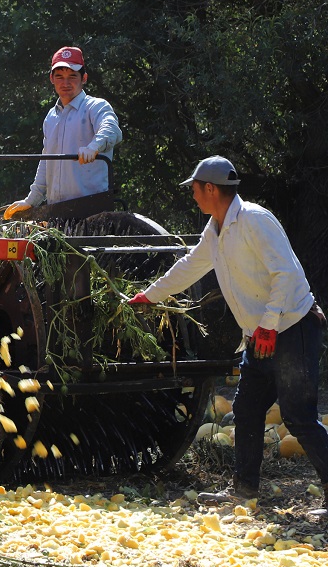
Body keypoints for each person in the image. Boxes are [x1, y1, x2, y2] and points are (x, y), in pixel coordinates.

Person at [128, 156, 328, 519]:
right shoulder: (215, 228)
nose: (192, 195)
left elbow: (286, 273)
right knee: (247, 410)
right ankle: (244, 491)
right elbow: (190, 265)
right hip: (260, 335)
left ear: (211, 188)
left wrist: (269, 324)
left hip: (292, 327)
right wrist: (150, 295)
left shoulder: (254, 219)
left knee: (298, 416)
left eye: (194, 188)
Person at [4, 46, 122, 219]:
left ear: (84, 78)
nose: (65, 83)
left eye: (72, 76)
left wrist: (94, 147)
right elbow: (46, 161)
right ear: (52, 79)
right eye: (59, 76)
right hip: (56, 213)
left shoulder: (96, 106)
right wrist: (31, 200)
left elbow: (111, 129)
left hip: (92, 212)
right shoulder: (51, 117)